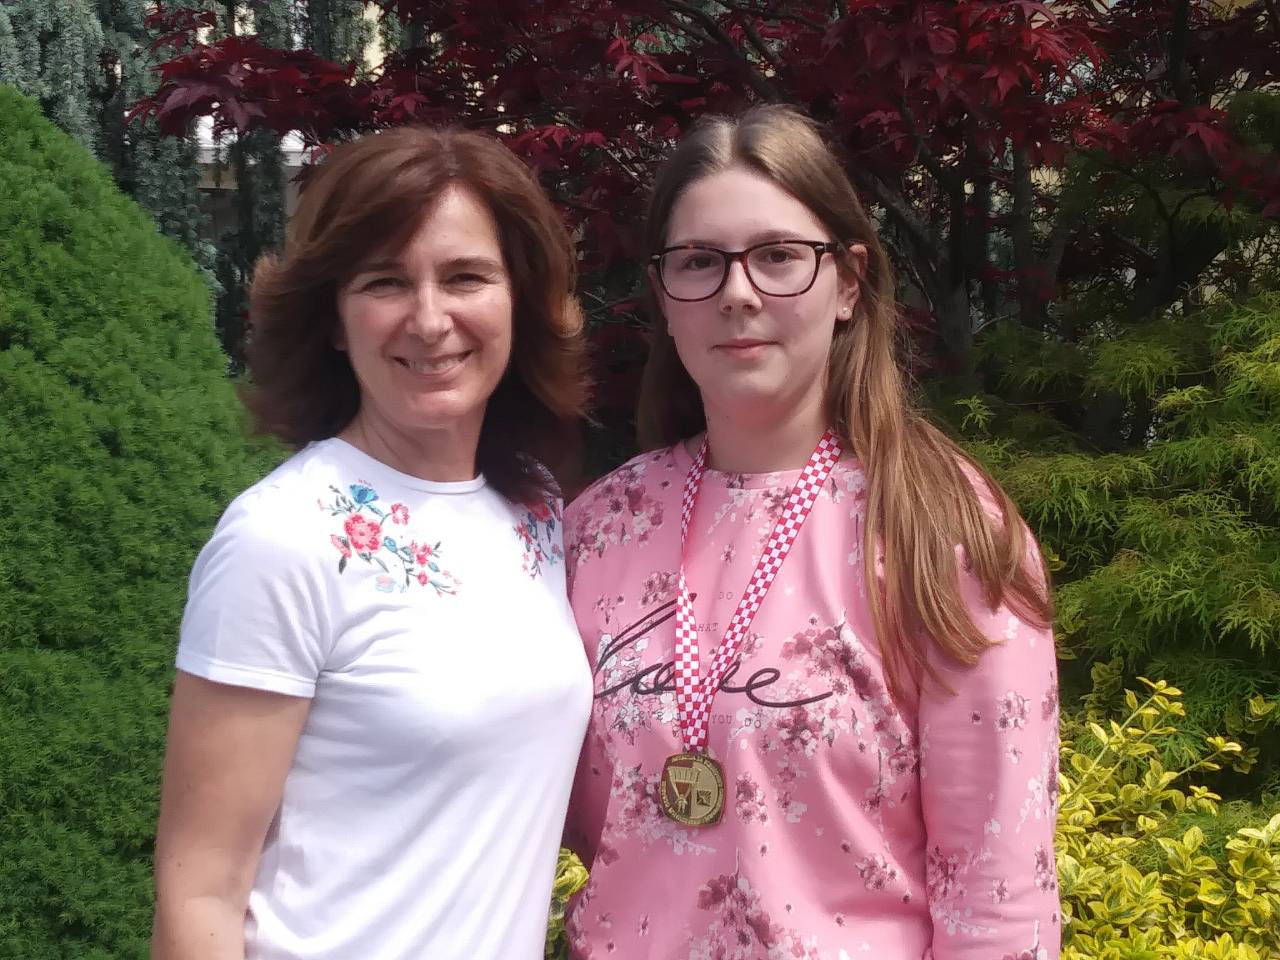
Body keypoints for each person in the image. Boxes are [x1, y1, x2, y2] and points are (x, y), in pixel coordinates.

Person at [562, 105, 1061, 960]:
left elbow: (999, 892)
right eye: (699, 262)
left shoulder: (942, 529)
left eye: (779, 256)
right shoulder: (600, 529)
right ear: (665, 296)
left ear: (849, 283)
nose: (738, 293)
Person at [151, 125, 593, 960]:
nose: (429, 320)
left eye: (465, 277)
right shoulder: (282, 537)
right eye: (385, 281)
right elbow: (199, 890)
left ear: (519, 299)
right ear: (333, 317)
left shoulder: (533, 506)